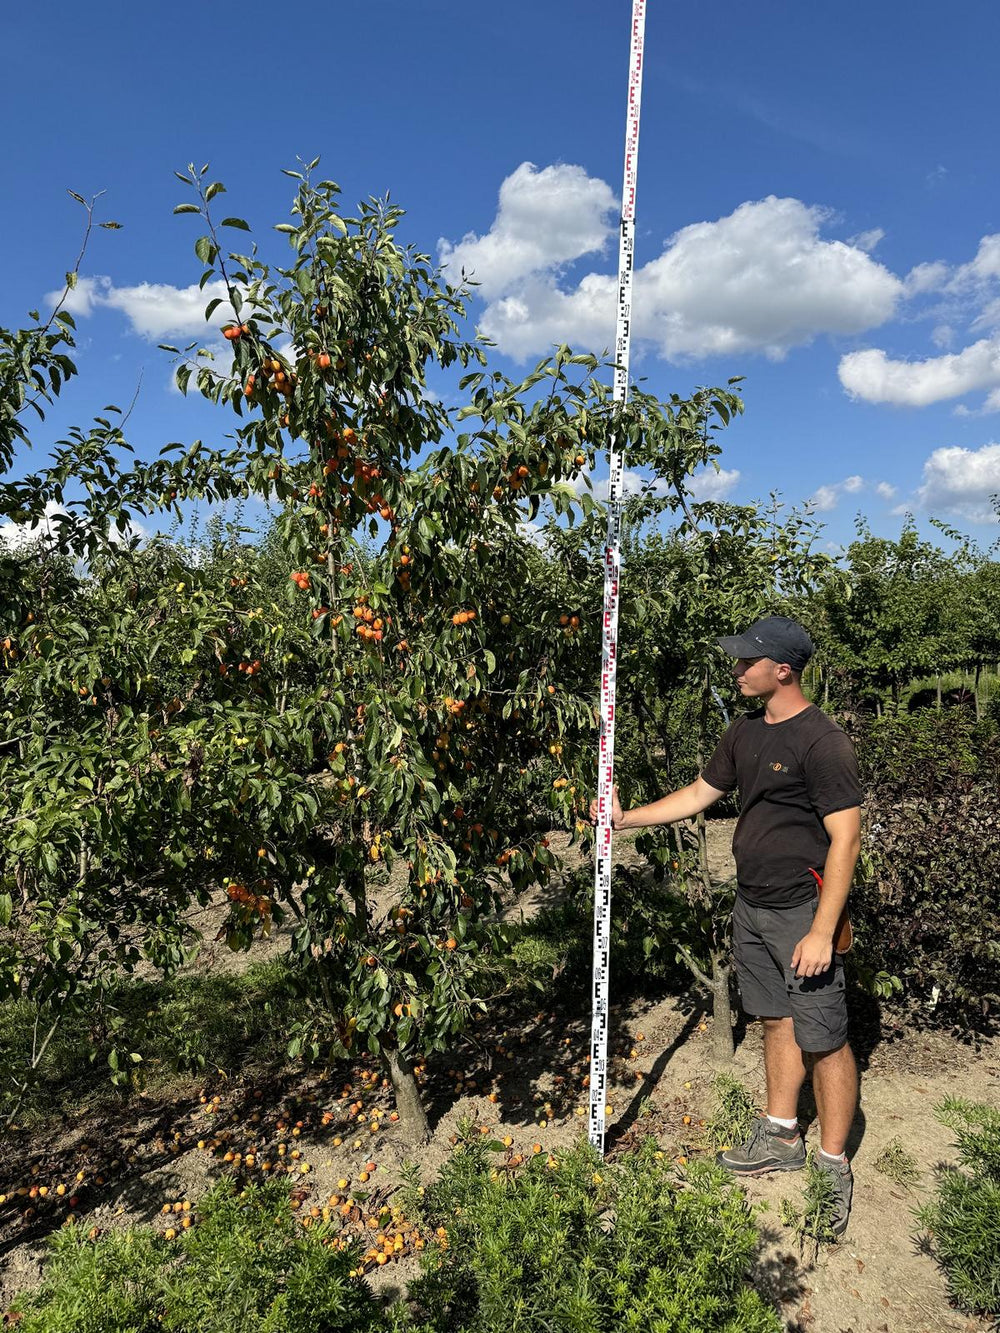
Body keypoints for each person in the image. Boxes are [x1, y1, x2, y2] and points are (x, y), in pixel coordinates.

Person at [590, 615, 861, 1235]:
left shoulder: (823, 743)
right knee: (776, 1018)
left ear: (783, 669)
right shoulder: (744, 733)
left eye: (747, 661)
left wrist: (822, 930)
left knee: (824, 1036)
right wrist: (623, 819)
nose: (736, 670)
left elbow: (846, 840)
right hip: (753, 904)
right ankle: (781, 1134)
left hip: (803, 909)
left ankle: (833, 1164)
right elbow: (698, 795)